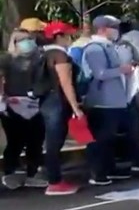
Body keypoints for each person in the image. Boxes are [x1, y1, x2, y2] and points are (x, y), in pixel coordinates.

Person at [80, 15, 135, 186]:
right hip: (102, 101)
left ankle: (110, 169)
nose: (115, 31)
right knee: (100, 139)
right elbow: (100, 73)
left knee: (110, 138)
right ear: (103, 29)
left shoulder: (109, 47)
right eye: (113, 27)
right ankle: (98, 172)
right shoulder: (94, 49)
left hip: (115, 100)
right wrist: (122, 70)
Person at [36, 21, 84, 195]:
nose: (70, 38)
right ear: (58, 36)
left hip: (45, 101)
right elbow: (66, 83)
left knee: (51, 142)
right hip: (57, 101)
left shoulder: (42, 54)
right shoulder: (60, 56)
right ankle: (55, 181)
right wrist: (75, 107)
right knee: (54, 142)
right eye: (67, 35)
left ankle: (51, 176)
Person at [0, 30, 48, 189]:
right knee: (15, 140)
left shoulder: (39, 58)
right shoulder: (7, 59)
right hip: (13, 103)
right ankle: (10, 172)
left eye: (29, 39)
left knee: (35, 140)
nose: (27, 42)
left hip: (34, 103)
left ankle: (32, 173)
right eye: (22, 40)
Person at [113, 30, 139, 174]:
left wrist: (135, 66)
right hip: (115, 95)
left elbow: (138, 63)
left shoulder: (125, 45)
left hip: (127, 93)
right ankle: (131, 161)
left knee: (132, 128)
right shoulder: (103, 48)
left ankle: (137, 160)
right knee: (120, 129)